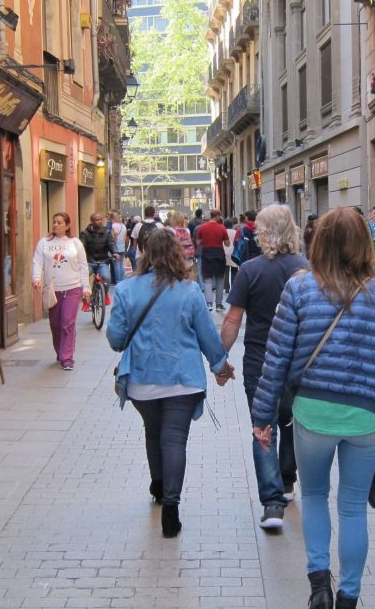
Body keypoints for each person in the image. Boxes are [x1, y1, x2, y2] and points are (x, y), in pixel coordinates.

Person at [251, 208, 375, 609]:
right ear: (364, 245)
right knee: (354, 507)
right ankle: (349, 596)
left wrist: (262, 417)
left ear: (317, 243)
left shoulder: (298, 289)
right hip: (367, 415)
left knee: (316, 496)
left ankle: (319, 583)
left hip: (313, 414)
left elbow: (276, 358)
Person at [107, 229, 235, 538]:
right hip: (182, 379)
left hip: (141, 379)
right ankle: (171, 508)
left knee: (153, 431)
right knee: (174, 439)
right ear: (178, 254)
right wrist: (221, 366)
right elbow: (206, 335)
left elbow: (115, 339)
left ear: (145, 254)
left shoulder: (126, 290)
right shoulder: (190, 291)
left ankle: (159, 486)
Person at [221, 204, 307, 530]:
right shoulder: (306, 269)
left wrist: (220, 360)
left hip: (260, 363)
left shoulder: (250, 270)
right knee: (292, 424)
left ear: (265, 232)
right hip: (299, 366)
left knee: (263, 427)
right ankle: (287, 481)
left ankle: (272, 505)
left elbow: (233, 319)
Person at [32, 212, 90, 370]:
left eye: (59, 222)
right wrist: (36, 278)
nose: (55, 225)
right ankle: (60, 351)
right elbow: (37, 262)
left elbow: (83, 266)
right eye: (54, 222)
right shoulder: (44, 243)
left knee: (67, 323)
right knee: (55, 324)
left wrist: (86, 288)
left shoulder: (75, 243)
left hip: (73, 288)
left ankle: (67, 357)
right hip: (53, 290)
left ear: (67, 225)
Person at [79, 212, 119, 301]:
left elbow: (111, 243)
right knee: (83, 277)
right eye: (97, 220)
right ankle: (86, 295)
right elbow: (81, 248)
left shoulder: (107, 232)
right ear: (92, 221)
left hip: (103, 261)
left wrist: (115, 252)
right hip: (89, 261)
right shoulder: (85, 233)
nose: (100, 221)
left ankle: (105, 295)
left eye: (101, 219)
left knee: (107, 278)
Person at [197, 209, 230, 311]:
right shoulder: (222, 228)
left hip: (206, 254)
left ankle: (209, 304)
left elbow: (198, 242)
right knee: (220, 280)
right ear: (218, 216)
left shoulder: (202, 228)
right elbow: (227, 243)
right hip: (219, 254)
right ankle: (219, 304)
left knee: (207, 280)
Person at [111, 213, 128, 284]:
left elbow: (114, 233)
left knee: (116, 264)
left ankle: (118, 280)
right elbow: (125, 237)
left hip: (116, 246)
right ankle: (123, 279)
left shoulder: (114, 225)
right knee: (121, 263)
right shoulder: (123, 226)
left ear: (113, 218)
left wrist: (114, 241)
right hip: (122, 246)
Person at [223, 218, 237, 293]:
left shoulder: (223, 231)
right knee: (234, 270)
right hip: (233, 252)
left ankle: (226, 287)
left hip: (225, 252)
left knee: (225, 271)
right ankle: (234, 287)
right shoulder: (235, 232)